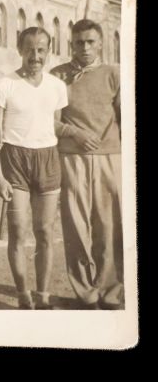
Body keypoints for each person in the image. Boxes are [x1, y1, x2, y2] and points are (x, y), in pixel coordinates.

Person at [0, 27, 68, 309]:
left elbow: (54, 124)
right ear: (20, 50)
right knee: (18, 230)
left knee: (44, 231)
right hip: (14, 160)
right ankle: (23, 294)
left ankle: (43, 295)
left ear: (48, 51)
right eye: (30, 49)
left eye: (41, 49)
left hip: (47, 159)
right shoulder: (4, 84)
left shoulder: (57, 86)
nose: (35, 56)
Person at [51, 19, 123, 309]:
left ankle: (111, 293)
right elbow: (49, 121)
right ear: (71, 43)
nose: (85, 47)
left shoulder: (113, 74)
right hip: (72, 158)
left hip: (109, 159)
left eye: (90, 41)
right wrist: (74, 133)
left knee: (109, 226)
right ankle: (86, 294)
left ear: (101, 43)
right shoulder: (58, 76)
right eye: (79, 42)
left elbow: (126, 119)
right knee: (76, 228)